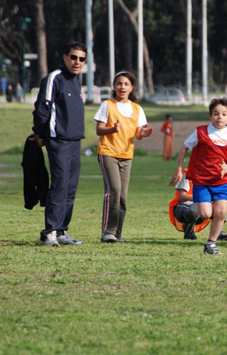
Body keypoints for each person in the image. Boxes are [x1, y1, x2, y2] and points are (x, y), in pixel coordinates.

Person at [169, 97, 227, 255]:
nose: (220, 117)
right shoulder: (200, 132)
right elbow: (184, 148)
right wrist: (178, 169)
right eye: (216, 113)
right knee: (205, 213)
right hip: (202, 181)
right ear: (210, 116)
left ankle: (211, 243)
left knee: (221, 212)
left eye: (224, 114)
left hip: (221, 182)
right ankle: (189, 211)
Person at [32, 41, 87, 246]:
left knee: (71, 188)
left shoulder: (77, 82)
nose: (77, 62)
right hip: (58, 141)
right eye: (73, 57)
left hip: (74, 142)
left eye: (81, 59)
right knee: (59, 186)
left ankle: (62, 230)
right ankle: (50, 232)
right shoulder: (54, 78)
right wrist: (40, 134)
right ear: (65, 57)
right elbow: (42, 109)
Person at [94, 70, 153, 243]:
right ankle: (108, 232)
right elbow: (99, 130)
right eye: (119, 83)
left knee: (123, 196)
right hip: (108, 153)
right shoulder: (107, 105)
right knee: (114, 191)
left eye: (126, 84)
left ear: (131, 87)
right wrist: (112, 129)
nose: (122, 87)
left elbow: (139, 132)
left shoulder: (137, 108)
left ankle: (117, 234)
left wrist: (144, 132)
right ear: (114, 86)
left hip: (126, 155)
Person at [169, 168, 227, 241]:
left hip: (202, 206)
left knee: (219, 206)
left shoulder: (211, 174)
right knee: (193, 210)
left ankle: (218, 232)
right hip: (185, 205)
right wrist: (201, 197)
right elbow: (181, 197)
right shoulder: (188, 173)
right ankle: (189, 231)